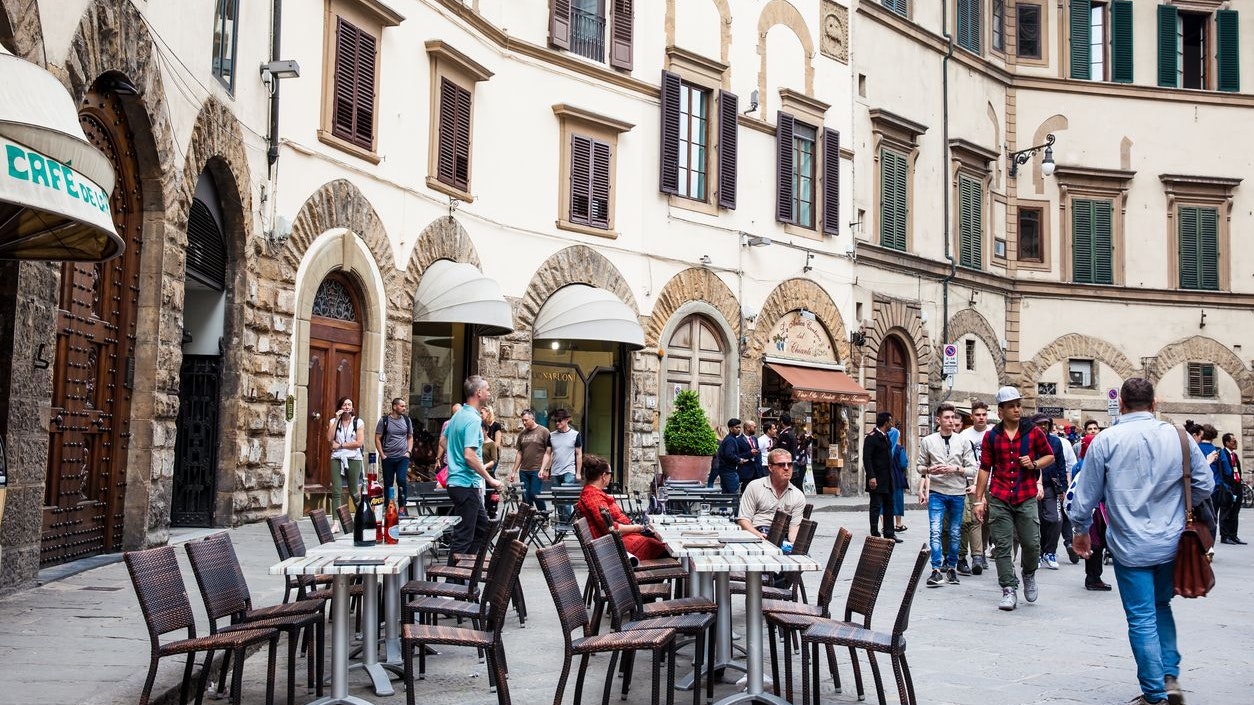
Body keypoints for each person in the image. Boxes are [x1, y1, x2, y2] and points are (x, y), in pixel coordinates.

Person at [1070, 377, 1213, 705]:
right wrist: (1176, 506)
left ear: (1121, 404)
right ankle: (1169, 676)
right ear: (1154, 404)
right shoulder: (1179, 437)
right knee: (1162, 606)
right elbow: (1205, 484)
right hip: (1172, 541)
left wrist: (1079, 531)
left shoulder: (1105, 440)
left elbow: (1086, 494)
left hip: (1129, 544)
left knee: (1141, 616)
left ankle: (1154, 693)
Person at [972, 386, 1054, 611]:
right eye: (1011, 406)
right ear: (1000, 411)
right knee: (1002, 545)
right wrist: (979, 500)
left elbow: (1049, 456)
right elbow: (984, 468)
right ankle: (1008, 588)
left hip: (1025, 495)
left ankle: (1028, 573)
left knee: (1031, 543)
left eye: (1018, 405)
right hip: (999, 496)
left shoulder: (1033, 432)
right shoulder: (992, 436)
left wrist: (1035, 464)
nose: (1017, 409)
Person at [444, 376, 503, 565]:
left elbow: (443, 441)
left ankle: (465, 569)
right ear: (478, 393)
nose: (489, 392)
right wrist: (490, 480)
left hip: (460, 482)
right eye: (487, 389)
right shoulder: (471, 419)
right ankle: (453, 579)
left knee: (483, 528)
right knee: (464, 536)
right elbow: (469, 455)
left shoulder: (458, 416)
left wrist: (454, 457)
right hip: (464, 483)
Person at [917, 402, 977, 587]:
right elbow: (919, 467)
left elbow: (973, 469)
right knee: (935, 531)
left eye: (953, 417)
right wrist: (930, 469)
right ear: (938, 420)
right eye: (947, 417)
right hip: (937, 492)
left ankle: (951, 567)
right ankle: (936, 570)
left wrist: (956, 468)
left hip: (958, 492)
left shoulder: (963, 441)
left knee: (955, 532)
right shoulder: (928, 441)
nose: (951, 421)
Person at [577, 454, 671, 560]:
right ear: (604, 476)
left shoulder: (592, 493)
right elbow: (609, 527)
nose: (611, 477)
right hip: (614, 549)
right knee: (666, 548)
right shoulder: (593, 497)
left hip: (613, 542)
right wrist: (638, 528)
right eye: (610, 473)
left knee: (659, 541)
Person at [737, 448, 807, 544]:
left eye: (790, 464)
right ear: (770, 467)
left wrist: (792, 545)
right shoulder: (755, 486)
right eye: (781, 465)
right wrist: (758, 535)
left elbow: (794, 529)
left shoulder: (798, 495)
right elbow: (743, 520)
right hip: (756, 534)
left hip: (782, 538)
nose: (787, 468)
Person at [1071, 432, 1112, 591]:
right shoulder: (1093, 465)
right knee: (1096, 544)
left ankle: (1092, 576)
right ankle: (1094, 578)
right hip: (1097, 510)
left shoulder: (1078, 465)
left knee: (1094, 543)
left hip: (1087, 508)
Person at [958, 400, 992, 575]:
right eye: (978, 415)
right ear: (972, 416)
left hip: (993, 481)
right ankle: (977, 556)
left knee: (988, 520)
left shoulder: (993, 433)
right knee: (975, 518)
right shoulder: (965, 435)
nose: (981, 417)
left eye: (984, 414)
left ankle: (983, 550)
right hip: (973, 482)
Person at [1033, 414, 1069, 570]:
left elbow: (1061, 465)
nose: (1043, 427)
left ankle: (1050, 552)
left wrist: (1063, 488)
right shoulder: (1029, 440)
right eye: (1040, 424)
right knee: (1037, 521)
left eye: (1046, 424)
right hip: (1032, 486)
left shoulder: (1055, 442)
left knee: (1055, 519)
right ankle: (1038, 553)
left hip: (1051, 486)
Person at [374, 397, 414, 515]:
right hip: (388, 456)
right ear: (394, 407)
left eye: (404, 406)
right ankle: (389, 506)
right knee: (388, 483)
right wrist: (382, 455)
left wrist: (408, 452)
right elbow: (377, 438)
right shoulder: (384, 421)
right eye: (402, 406)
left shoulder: (407, 420)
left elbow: (410, 437)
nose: (404, 408)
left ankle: (402, 506)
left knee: (402, 479)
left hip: (402, 457)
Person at [863, 411, 899, 542]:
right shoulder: (872, 437)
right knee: (876, 506)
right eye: (890, 421)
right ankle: (874, 532)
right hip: (876, 479)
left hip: (887, 478)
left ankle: (889, 533)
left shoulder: (886, 436)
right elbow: (867, 459)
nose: (891, 424)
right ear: (885, 423)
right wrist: (871, 477)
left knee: (889, 505)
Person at [544, 408, 583, 523]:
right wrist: (546, 469)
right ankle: (563, 523)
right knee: (558, 500)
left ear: (567, 420)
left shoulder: (575, 435)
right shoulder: (551, 436)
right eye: (555, 421)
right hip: (555, 471)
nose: (557, 423)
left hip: (569, 471)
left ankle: (568, 524)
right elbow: (548, 454)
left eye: (560, 420)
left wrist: (578, 472)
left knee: (565, 499)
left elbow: (579, 454)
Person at [1185, 421, 1220, 549]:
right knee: (1209, 522)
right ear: (1194, 435)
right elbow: (1203, 482)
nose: (1200, 440)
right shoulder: (1192, 447)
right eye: (1200, 436)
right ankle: (1207, 547)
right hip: (1199, 495)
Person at [327, 396, 365, 513]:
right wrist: (337, 419)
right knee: (336, 490)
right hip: (337, 457)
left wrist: (341, 445)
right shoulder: (333, 421)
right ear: (340, 407)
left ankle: (363, 517)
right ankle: (336, 522)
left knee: (354, 491)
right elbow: (329, 438)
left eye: (349, 404)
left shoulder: (358, 422)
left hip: (353, 457)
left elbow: (359, 443)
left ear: (352, 407)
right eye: (344, 405)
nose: (347, 407)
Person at [509, 409, 550, 512]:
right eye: (522, 420)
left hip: (537, 469)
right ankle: (529, 520)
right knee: (526, 497)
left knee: (535, 493)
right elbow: (519, 453)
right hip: (524, 470)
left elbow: (549, 452)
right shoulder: (522, 434)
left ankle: (544, 516)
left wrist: (546, 469)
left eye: (526, 420)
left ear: (533, 418)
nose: (524, 422)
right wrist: (513, 471)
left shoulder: (544, 431)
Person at [1218, 432, 1245, 544]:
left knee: (1235, 511)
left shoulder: (1235, 455)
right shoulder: (1223, 454)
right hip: (1228, 487)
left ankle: (1234, 535)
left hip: (1237, 486)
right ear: (1227, 442)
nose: (1236, 443)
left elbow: (1238, 470)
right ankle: (1225, 536)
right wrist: (1226, 486)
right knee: (1226, 511)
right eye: (1233, 441)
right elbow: (1222, 472)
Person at [717, 417, 754, 495]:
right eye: (736, 427)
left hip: (726, 470)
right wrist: (739, 460)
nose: (739, 429)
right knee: (734, 495)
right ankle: (734, 508)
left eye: (739, 427)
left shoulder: (731, 439)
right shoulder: (730, 440)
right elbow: (729, 454)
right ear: (730, 428)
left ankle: (723, 507)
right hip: (729, 470)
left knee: (725, 494)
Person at [889, 426, 909, 532]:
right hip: (896, 479)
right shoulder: (899, 448)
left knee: (884, 503)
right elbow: (903, 464)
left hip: (884, 479)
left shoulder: (883, 447)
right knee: (897, 501)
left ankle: (885, 525)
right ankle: (898, 524)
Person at [741, 420, 762, 487]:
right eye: (754, 427)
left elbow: (758, 451)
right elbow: (738, 455)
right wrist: (750, 453)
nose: (755, 429)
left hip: (756, 470)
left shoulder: (754, 439)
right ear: (748, 428)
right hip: (746, 471)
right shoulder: (739, 440)